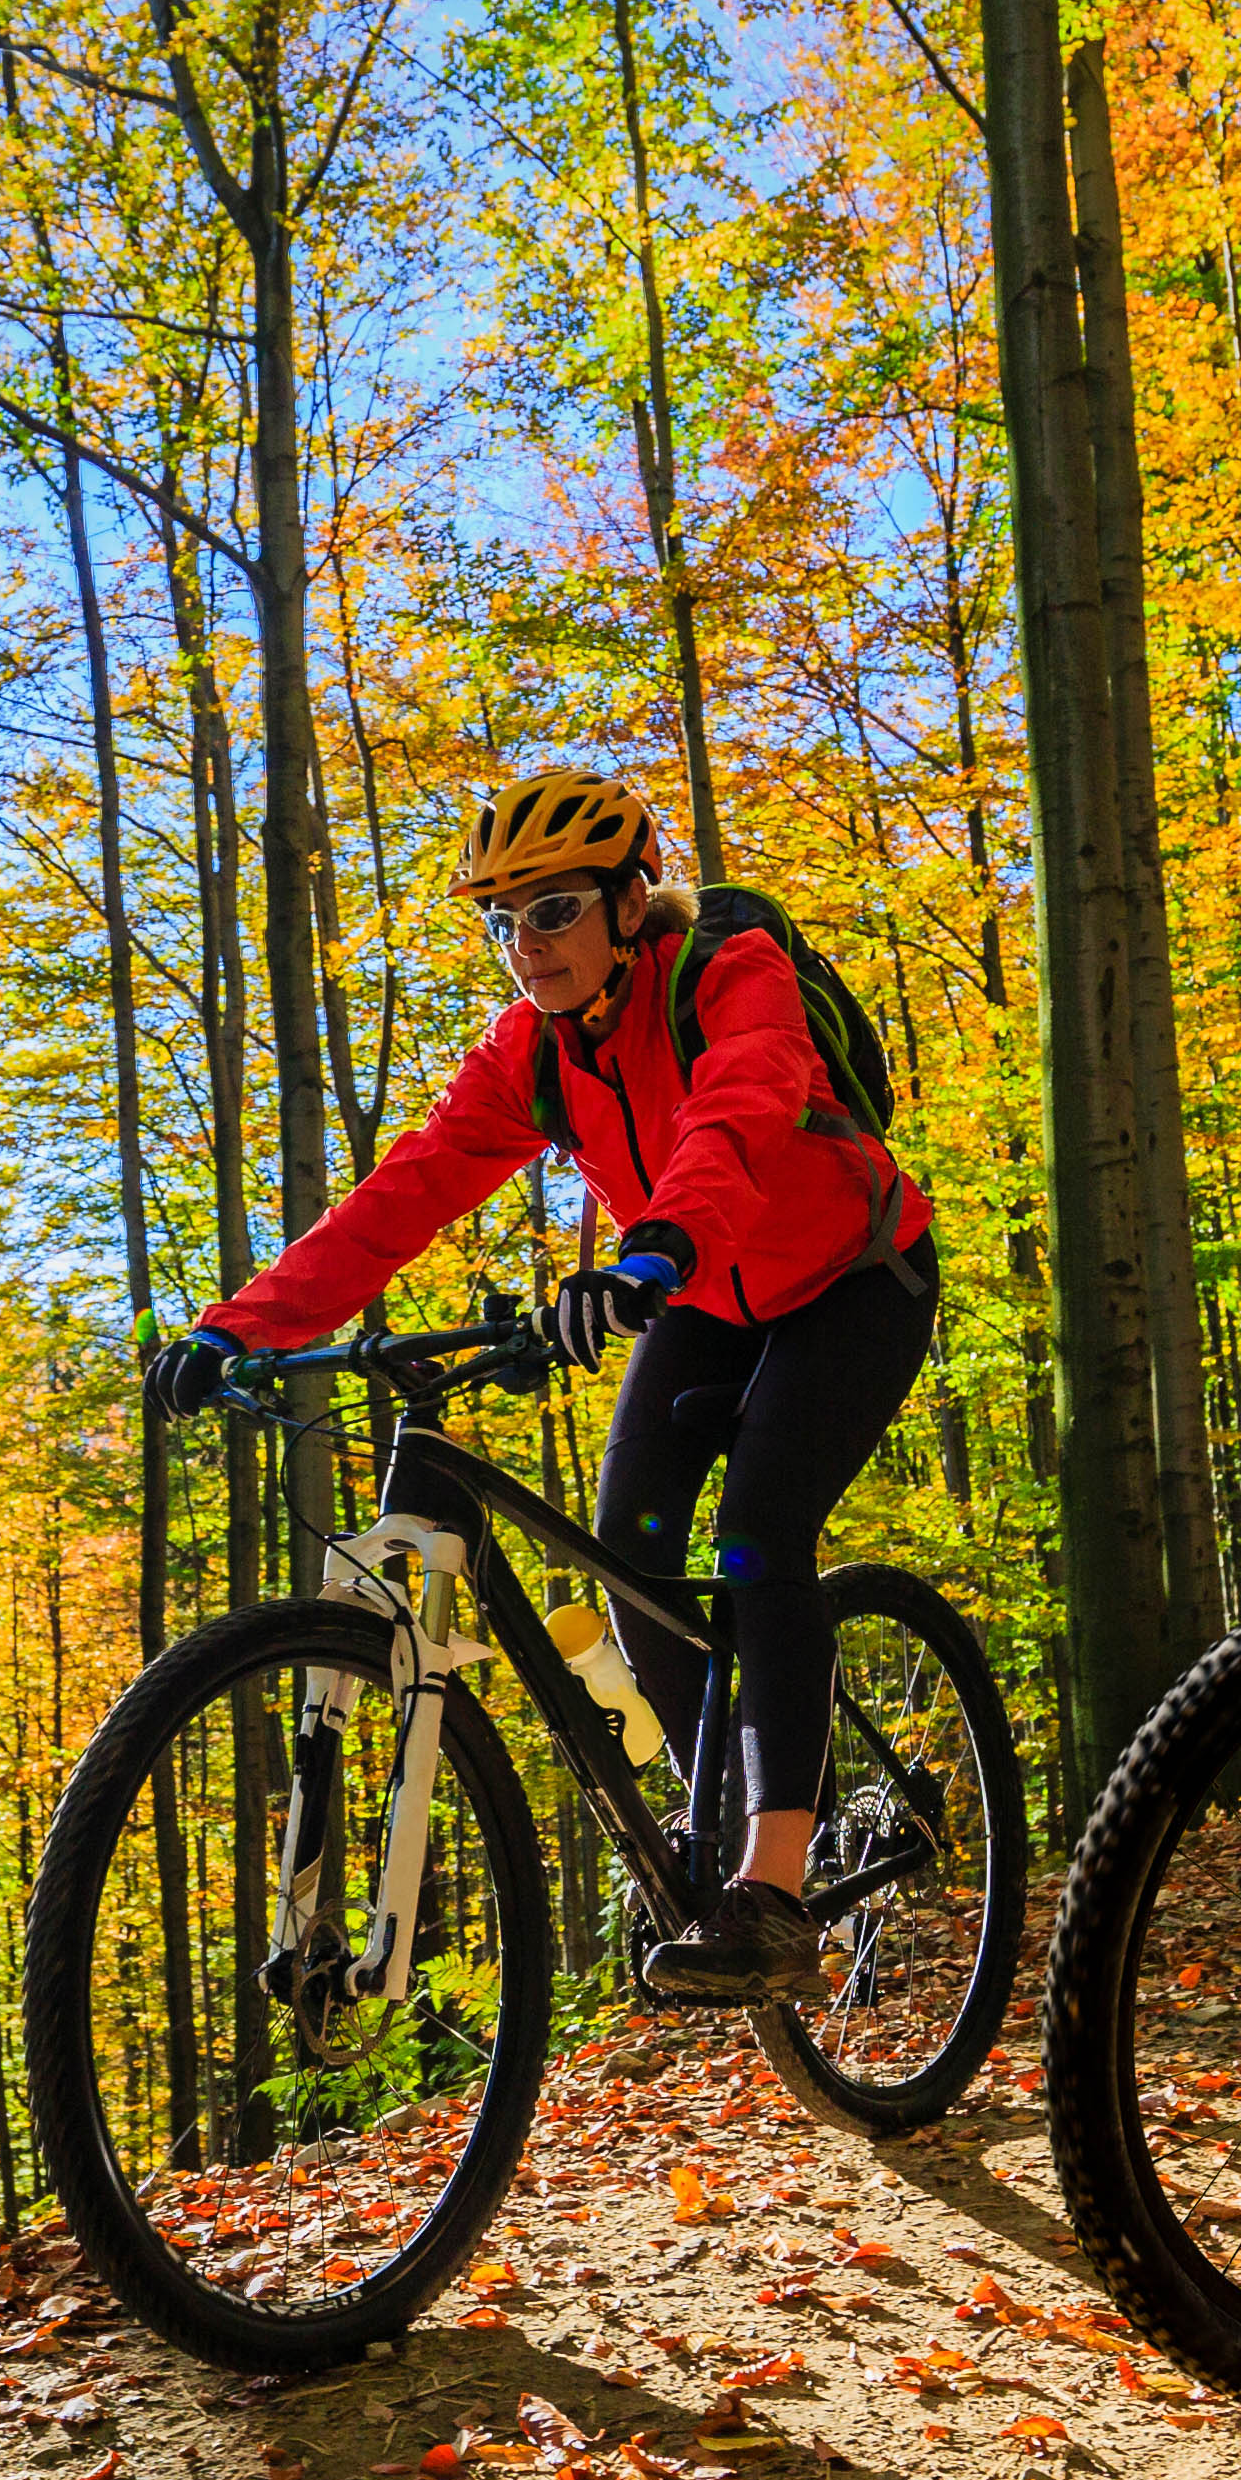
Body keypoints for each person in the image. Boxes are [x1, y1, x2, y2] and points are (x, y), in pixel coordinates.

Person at [148, 770, 940, 2006]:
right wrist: (236, 1330)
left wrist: (655, 1246)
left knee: (758, 1539)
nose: (529, 946)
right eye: (505, 922)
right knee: (629, 1564)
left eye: (557, 908)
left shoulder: (722, 972)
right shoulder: (533, 1053)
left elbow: (742, 1103)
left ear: (631, 902)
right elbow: (401, 1195)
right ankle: (724, 1831)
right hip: (699, 1294)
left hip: (851, 1275)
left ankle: (777, 1885)